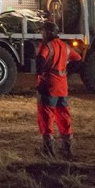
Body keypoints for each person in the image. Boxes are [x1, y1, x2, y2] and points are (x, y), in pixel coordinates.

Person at [36, 20, 81, 159]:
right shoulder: (65, 46)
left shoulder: (46, 46)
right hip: (63, 88)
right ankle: (68, 149)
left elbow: (40, 63)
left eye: (43, 31)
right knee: (64, 117)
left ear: (48, 32)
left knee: (46, 117)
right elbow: (78, 60)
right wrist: (67, 73)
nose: (41, 33)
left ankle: (48, 150)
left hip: (49, 87)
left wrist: (42, 76)